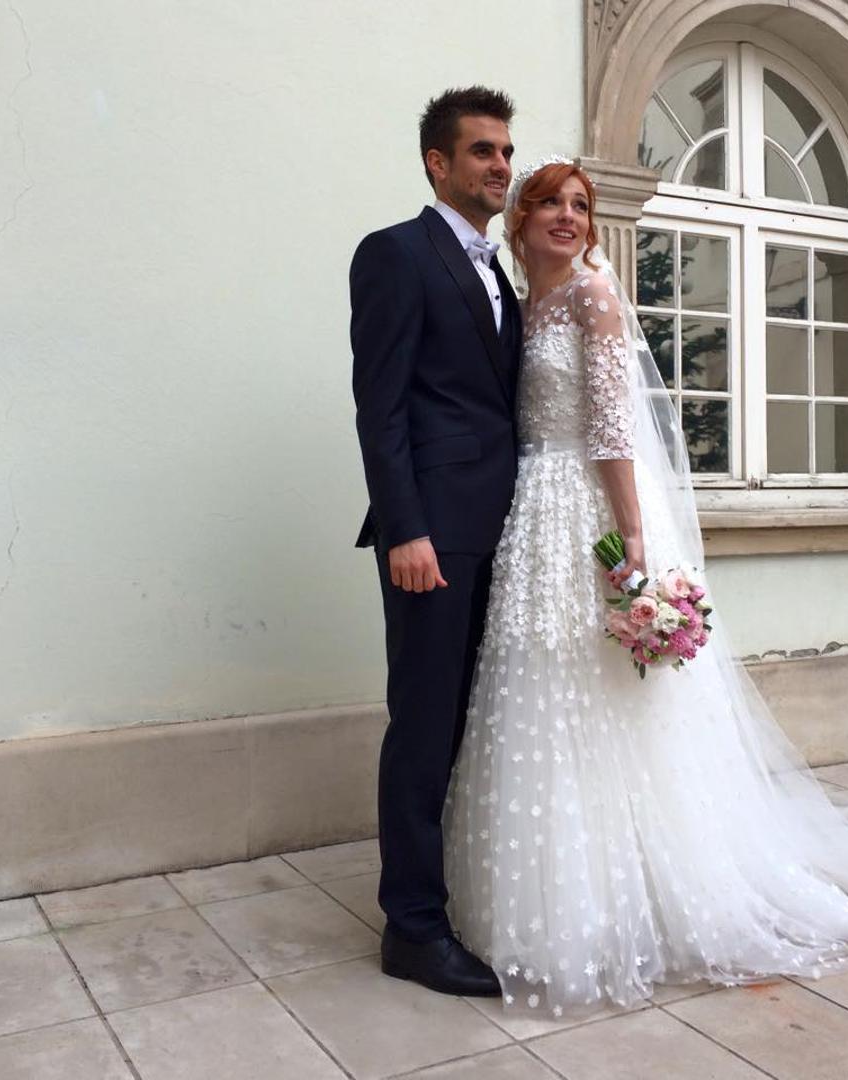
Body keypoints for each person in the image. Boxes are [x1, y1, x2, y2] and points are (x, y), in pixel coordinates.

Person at [442, 156, 848, 1016]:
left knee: (617, 697)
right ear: (520, 220)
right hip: (533, 516)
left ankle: (644, 890)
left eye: (580, 205)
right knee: (542, 685)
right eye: (549, 202)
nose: (568, 216)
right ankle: (553, 890)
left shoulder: (592, 296)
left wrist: (631, 545)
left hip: (591, 512)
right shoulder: (525, 305)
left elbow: (616, 430)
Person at [349, 87, 523, 996]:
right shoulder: (395, 254)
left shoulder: (500, 272)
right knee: (422, 727)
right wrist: (405, 529)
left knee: (467, 722)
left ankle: (451, 895)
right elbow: (379, 408)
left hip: (499, 533)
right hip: (433, 539)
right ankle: (413, 930)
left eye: (506, 151)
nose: (501, 165)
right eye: (483, 150)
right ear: (438, 162)